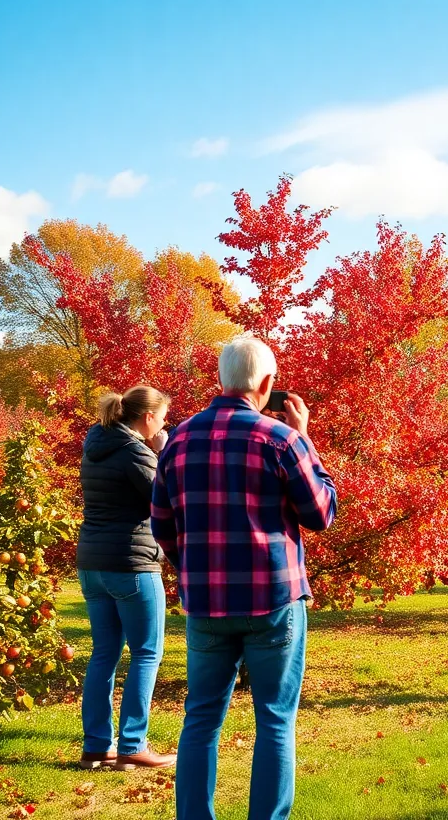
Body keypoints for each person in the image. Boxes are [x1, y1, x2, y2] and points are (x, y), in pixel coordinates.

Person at [152, 336, 337, 820]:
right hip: (273, 599)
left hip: (207, 603)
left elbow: (162, 524)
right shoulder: (281, 439)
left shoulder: (180, 441)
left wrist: (195, 568)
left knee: (201, 719)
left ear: (222, 379)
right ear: (268, 384)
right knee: (274, 719)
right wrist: (307, 438)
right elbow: (319, 512)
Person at [76, 385, 175, 772]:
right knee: (147, 652)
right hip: (131, 563)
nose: (165, 423)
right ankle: (133, 745)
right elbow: (165, 499)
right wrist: (162, 453)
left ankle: (97, 746)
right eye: (163, 416)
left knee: (104, 654)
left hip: (92, 563)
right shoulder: (135, 451)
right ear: (147, 417)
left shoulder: (95, 445)